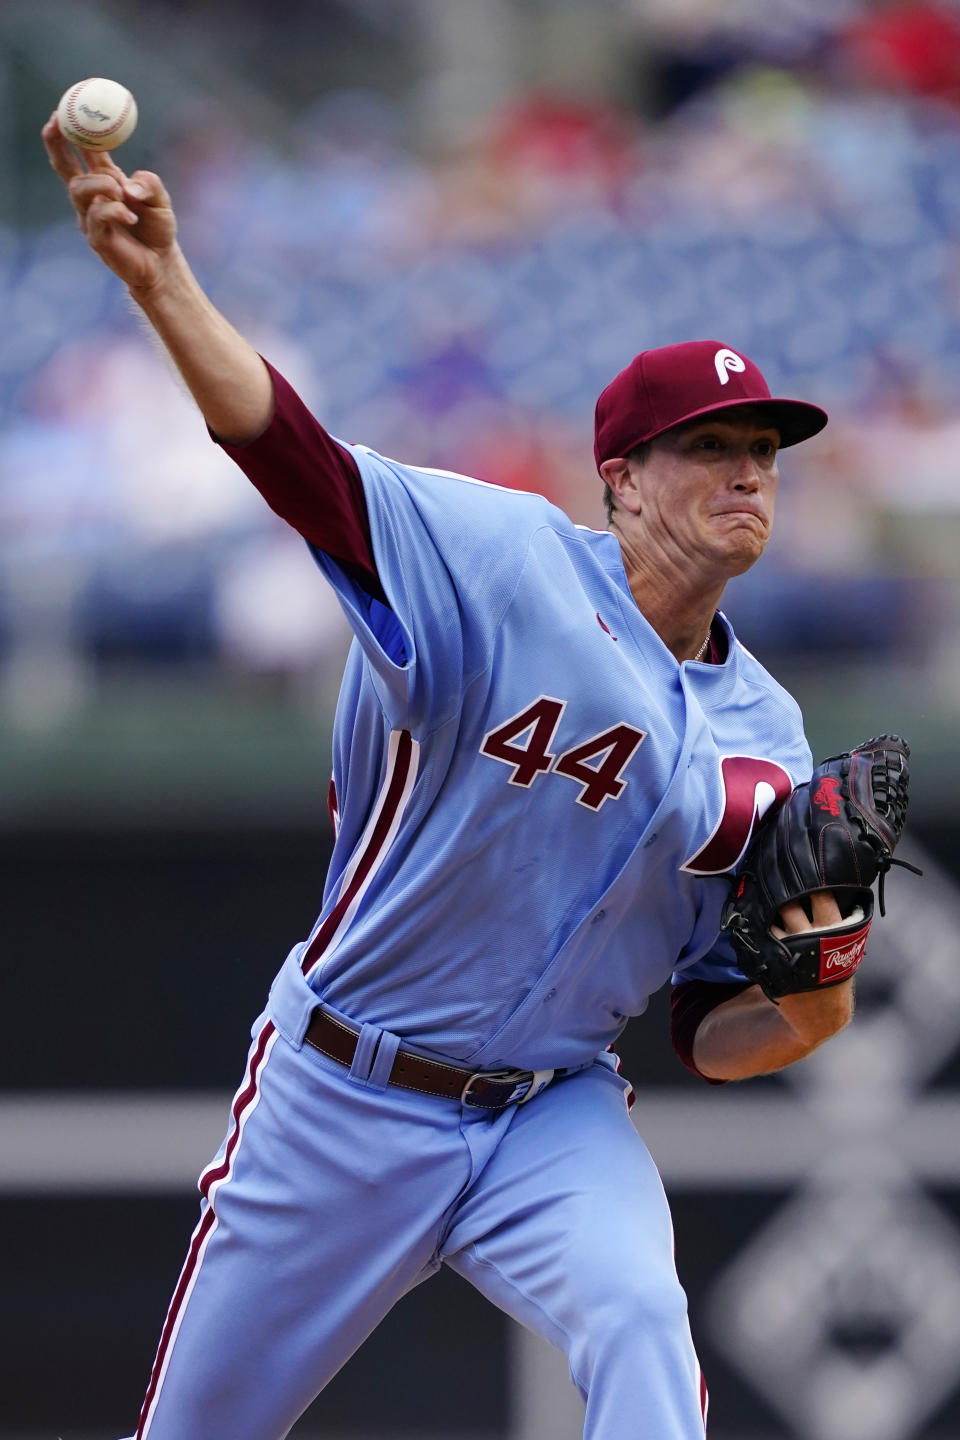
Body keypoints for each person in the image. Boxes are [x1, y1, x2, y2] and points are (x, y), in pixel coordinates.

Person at [43, 115, 855, 1440]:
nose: (747, 473)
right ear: (622, 480)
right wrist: (161, 287)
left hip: (551, 1111)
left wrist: (814, 1011)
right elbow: (293, 457)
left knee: (644, 1320)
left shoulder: (772, 732)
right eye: (709, 447)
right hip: (344, 1097)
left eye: (763, 450)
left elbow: (715, 1023)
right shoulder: (501, 559)